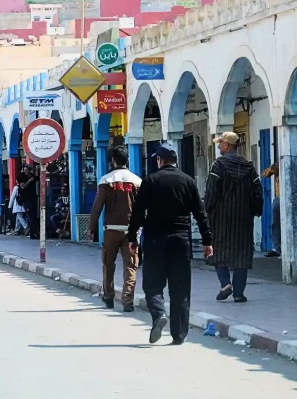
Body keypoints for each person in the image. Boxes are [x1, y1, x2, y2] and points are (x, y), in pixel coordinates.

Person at [127, 141, 212, 345]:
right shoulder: (188, 181)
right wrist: (208, 241)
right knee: (180, 288)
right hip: (181, 240)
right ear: (176, 161)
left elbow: (138, 212)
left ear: (160, 160)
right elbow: (201, 215)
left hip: (156, 240)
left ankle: (158, 314)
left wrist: (132, 238)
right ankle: (178, 335)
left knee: (152, 284)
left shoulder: (150, 181)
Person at [206, 132, 263, 303]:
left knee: (218, 250)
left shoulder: (218, 166)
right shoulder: (249, 167)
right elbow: (257, 193)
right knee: (242, 255)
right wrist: (256, 210)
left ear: (226, 145)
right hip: (243, 218)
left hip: (221, 218)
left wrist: (207, 210)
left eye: (220, 143)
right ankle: (239, 293)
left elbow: (211, 191)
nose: (218, 147)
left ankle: (225, 284)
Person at [89, 146, 142, 311]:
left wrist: (92, 227)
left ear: (113, 161)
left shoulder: (105, 180)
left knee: (108, 264)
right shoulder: (137, 181)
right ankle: (128, 301)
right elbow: (141, 208)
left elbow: (97, 206)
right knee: (131, 266)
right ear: (127, 161)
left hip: (110, 229)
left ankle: (108, 297)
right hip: (131, 231)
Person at [261, 162, 280, 257]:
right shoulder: (276, 166)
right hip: (279, 197)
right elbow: (264, 174)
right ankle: (277, 248)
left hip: (288, 197)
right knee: (275, 224)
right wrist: (273, 169)